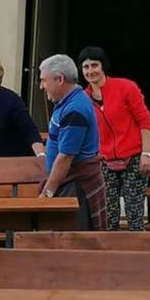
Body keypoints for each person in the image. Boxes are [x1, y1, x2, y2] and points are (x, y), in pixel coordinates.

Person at [79, 46, 150, 231]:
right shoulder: (82, 98)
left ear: (103, 66)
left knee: (134, 213)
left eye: (94, 65)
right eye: (86, 67)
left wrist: (146, 153)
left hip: (133, 157)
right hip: (104, 161)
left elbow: (144, 120)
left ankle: (139, 252)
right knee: (108, 215)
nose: (90, 71)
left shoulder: (126, 87)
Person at [37, 54, 107, 231]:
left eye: (44, 80)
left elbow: (66, 156)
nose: (41, 86)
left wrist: (48, 193)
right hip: (68, 182)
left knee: (75, 244)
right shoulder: (66, 102)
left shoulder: (75, 109)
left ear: (59, 79)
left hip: (76, 187)